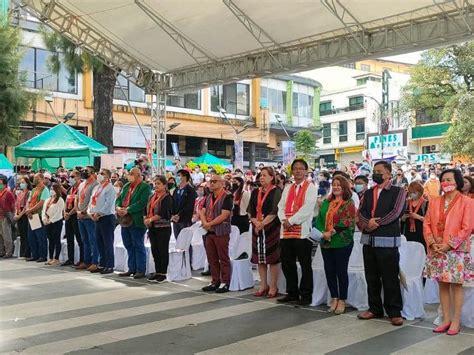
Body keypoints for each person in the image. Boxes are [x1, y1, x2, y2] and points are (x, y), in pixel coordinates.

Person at [357, 161, 406, 326]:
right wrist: (367, 224)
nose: (376, 174)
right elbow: (361, 212)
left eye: (379, 171)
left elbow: (396, 212)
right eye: (374, 171)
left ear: (388, 173)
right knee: (371, 277)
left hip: (387, 241)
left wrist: (376, 223)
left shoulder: (398, 191)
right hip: (369, 241)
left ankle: (394, 311)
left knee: (390, 277)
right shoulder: (369, 192)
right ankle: (374, 308)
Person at [424, 169, 473, 336]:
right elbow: (427, 223)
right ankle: (446, 319)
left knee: (456, 286)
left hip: (455, 251)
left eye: (449, 179)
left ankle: (456, 321)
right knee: (442, 285)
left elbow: (467, 228)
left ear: (457, 181)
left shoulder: (467, 202)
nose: (446, 183)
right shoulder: (434, 201)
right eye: (443, 180)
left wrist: (449, 245)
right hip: (436, 249)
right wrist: (431, 243)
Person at [277, 159, 318, 306]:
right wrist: (284, 220)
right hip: (286, 231)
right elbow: (280, 206)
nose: (298, 171)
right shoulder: (288, 187)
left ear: (306, 171)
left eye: (301, 168)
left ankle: (306, 295)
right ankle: (292, 292)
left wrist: (291, 221)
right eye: (295, 169)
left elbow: (307, 209)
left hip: (302, 233)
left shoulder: (311, 187)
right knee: (288, 264)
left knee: (305, 265)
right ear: (292, 171)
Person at [314, 175, 356, 314]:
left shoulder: (348, 203)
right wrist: (322, 232)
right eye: (335, 184)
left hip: (342, 242)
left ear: (344, 187)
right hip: (325, 242)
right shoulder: (327, 201)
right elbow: (319, 218)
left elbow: (346, 222)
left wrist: (330, 232)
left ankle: (343, 299)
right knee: (329, 271)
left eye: (339, 184)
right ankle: (334, 297)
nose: (336, 187)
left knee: (341, 271)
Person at [248, 167, 282, 298]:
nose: (261, 177)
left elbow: (275, 211)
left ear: (272, 177)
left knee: (272, 258)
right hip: (257, 228)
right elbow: (250, 209)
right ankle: (263, 285)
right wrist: (256, 222)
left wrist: (262, 223)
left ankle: (273, 286)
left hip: (271, 228)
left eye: (264, 175)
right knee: (259, 259)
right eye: (260, 175)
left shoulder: (276, 191)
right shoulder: (255, 191)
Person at [200, 174, 233, 293]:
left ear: (222, 183)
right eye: (210, 181)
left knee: (223, 258)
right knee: (212, 258)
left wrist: (209, 224)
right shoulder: (208, 197)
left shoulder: (227, 197)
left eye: (215, 181)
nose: (212, 183)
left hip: (221, 231)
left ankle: (225, 282)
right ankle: (215, 281)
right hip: (209, 232)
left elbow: (224, 215)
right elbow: (202, 211)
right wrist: (204, 222)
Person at [116, 167, 151, 279]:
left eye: (132, 174)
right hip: (125, 220)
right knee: (128, 244)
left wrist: (128, 209)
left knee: (138, 245)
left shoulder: (145, 187)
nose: (129, 175)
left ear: (138, 175)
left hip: (137, 220)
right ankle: (131, 268)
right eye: (129, 173)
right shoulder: (126, 186)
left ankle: (140, 270)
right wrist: (118, 207)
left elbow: (142, 202)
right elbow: (119, 199)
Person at [145, 175, 173, 283]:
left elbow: (164, 213)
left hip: (163, 227)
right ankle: (157, 272)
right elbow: (146, 209)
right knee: (155, 250)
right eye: (155, 183)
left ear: (164, 185)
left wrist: (150, 219)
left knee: (162, 250)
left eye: (158, 184)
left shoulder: (167, 197)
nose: (156, 185)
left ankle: (163, 273)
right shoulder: (152, 197)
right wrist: (145, 218)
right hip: (152, 227)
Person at [89, 168, 116, 274]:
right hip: (96, 218)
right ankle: (102, 263)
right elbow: (92, 202)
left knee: (107, 242)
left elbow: (108, 204)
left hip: (106, 217)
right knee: (99, 242)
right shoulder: (97, 188)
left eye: (102, 174)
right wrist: (90, 212)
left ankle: (110, 265)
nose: (100, 175)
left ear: (108, 177)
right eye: (99, 173)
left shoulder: (110, 188)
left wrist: (99, 213)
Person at [75, 167, 100, 272]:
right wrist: (77, 211)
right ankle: (86, 261)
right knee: (84, 240)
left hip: (88, 216)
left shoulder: (96, 185)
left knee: (93, 240)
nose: (84, 173)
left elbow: (92, 200)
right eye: (83, 171)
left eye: (87, 171)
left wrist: (84, 211)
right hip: (80, 216)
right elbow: (77, 198)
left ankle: (95, 262)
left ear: (93, 173)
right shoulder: (81, 184)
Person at [25, 173, 50, 262]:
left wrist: (30, 210)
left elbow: (42, 203)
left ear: (42, 179)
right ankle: (35, 255)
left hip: (39, 215)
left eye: (37, 178)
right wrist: (28, 211)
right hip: (32, 216)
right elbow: (29, 201)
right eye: (34, 177)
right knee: (31, 236)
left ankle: (42, 256)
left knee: (41, 237)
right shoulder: (33, 190)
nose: (34, 179)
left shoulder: (45, 189)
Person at [62, 170, 83, 267]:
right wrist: (65, 213)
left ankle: (82, 259)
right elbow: (66, 201)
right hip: (68, 216)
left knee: (79, 239)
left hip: (75, 216)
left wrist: (69, 213)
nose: (70, 178)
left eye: (72, 176)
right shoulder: (70, 189)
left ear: (78, 177)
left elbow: (78, 204)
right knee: (69, 239)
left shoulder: (81, 188)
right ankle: (70, 258)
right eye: (70, 176)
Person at [42, 183, 65, 266]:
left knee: (56, 240)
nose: (51, 190)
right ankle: (51, 257)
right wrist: (44, 219)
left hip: (56, 222)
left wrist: (51, 220)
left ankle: (56, 258)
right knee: (50, 240)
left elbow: (59, 212)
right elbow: (43, 210)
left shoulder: (60, 200)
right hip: (48, 222)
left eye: (53, 189)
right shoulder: (48, 200)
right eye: (50, 189)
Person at [402, 181, 428, 251]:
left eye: (414, 192)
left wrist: (418, 217)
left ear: (420, 192)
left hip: (421, 233)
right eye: (410, 192)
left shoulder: (426, 203)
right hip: (408, 233)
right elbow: (401, 219)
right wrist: (403, 218)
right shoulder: (406, 202)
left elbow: (429, 221)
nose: (412, 194)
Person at [171, 169, 197, 239]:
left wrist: (179, 214)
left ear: (185, 177)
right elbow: (173, 203)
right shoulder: (176, 190)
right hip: (175, 219)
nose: (177, 178)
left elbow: (190, 205)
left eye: (179, 176)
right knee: (178, 239)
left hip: (185, 219)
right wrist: (173, 215)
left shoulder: (191, 190)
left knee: (186, 241)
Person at [14, 176, 31, 259]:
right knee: (21, 235)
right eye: (20, 182)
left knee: (25, 234)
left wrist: (20, 215)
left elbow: (26, 206)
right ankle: (22, 253)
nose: (21, 184)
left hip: (24, 215)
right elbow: (17, 204)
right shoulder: (20, 193)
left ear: (27, 183)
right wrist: (16, 214)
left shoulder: (28, 192)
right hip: (19, 214)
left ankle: (26, 253)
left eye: (23, 182)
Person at [0, 175, 15, 258]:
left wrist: (12, 215)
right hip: (0, 215)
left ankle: (9, 252)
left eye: (1, 182)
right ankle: (1, 251)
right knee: (0, 235)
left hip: (6, 215)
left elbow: (13, 205)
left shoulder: (8, 193)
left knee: (6, 235)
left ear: (5, 184)